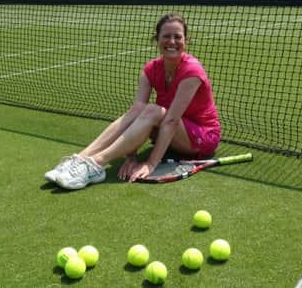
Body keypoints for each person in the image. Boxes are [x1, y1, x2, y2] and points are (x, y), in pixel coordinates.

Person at [45, 13, 221, 189]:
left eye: (178, 37)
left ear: (186, 40)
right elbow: (136, 113)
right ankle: (80, 159)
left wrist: (151, 163)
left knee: (153, 110)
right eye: (166, 36)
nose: (172, 41)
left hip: (201, 137)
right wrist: (132, 156)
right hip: (169, 130)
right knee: (139, 109)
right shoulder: (151, 69)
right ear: (157, 38)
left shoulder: (192, 71)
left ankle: (95, 165)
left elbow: (172, 120)